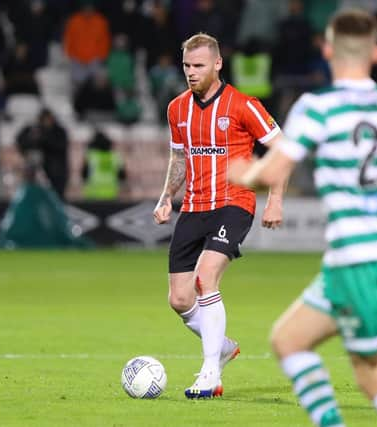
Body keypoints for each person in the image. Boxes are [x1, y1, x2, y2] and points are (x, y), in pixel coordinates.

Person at [228, 10, 377, 426]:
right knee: (289, 340)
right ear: (376, 53)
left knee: (376, 377)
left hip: (360, 258)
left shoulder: (319, 108)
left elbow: (271, 172)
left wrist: (242, 173)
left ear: (326, 49)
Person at [152, 33, 285, 399]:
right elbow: (179, 157)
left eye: (198, 66)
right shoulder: (176, 109)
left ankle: (210, 373)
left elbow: (282, 149)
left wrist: (275, 199)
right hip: (194, 207)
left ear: (217, 64)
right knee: (179, 299)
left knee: (205, 276)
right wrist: (166, 198)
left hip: (234, 202)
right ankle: (222, 345)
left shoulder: (244, 105)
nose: (191, 73)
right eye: (186, 66)